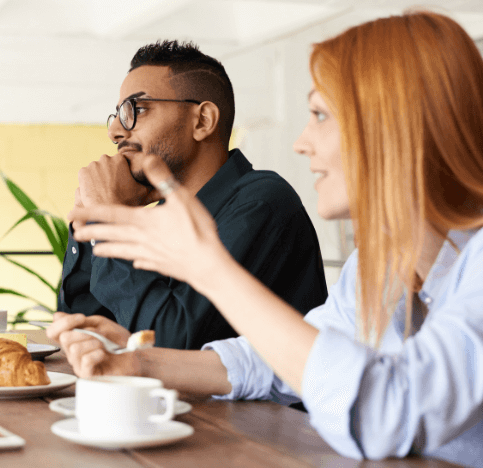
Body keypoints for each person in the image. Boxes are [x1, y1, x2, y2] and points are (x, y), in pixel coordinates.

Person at [48, 11, 483, 467]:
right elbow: (275, 362)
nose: (302, 141)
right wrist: (137, 363)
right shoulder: (378, 262)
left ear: (391, 125)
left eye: (320, 114)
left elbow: (390, 410)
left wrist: (210, 269)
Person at [59, 40, 328, 350]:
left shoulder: (262, 203)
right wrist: (95, 224)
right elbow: (85, 335)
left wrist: (108, 216)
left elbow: (173, 344)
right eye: (119, 113)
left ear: (202, 121)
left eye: (137, 109)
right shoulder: (163, 218)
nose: (116, 131)